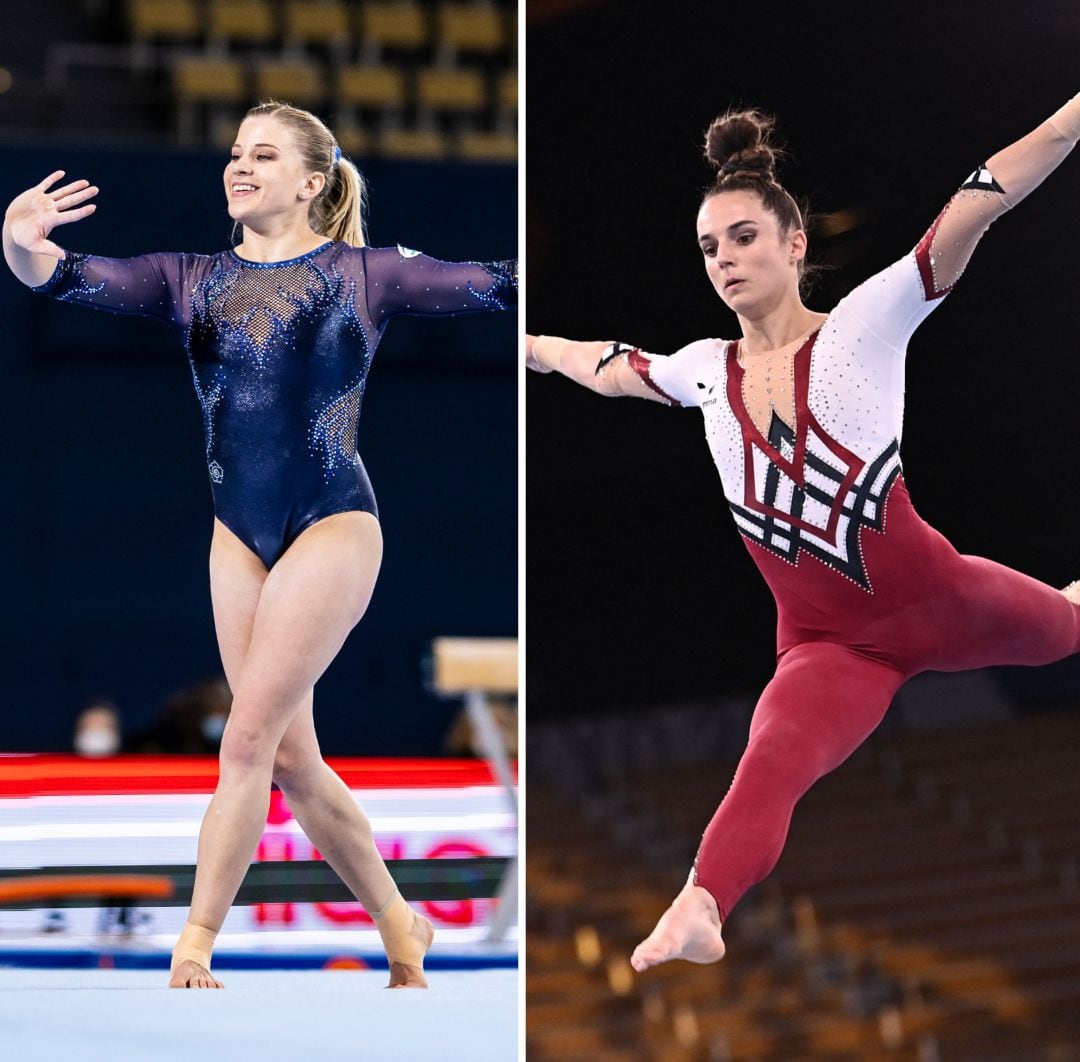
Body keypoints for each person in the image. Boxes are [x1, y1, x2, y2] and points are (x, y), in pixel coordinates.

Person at [527, 90, 1080, 972]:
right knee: (773, 751)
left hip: (940, 599)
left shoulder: (868, 322)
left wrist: (1066, 122)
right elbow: (603, 368)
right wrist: (523, 345)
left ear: (794, 244)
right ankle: (701, 904)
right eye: (709, 247)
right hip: (829, 645)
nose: (724, 259)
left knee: (1067, 632)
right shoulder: (704, 371)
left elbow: (979, 200)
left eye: (743, 237)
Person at [4, 99, 516, 989]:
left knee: (243, 745)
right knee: (290, 757)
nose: (240, 166)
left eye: (264, 155)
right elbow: (55, 276)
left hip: (334, 524)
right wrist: (19, 237)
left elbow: (498, 280)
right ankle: (404, 925)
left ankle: (195, 942)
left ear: (312, 182)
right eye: (236, 152)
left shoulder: (370, 273)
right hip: (235, 534)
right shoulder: (187, 276)